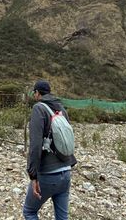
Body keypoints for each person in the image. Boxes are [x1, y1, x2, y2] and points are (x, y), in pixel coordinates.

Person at [23, 80, 76, 220]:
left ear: (37, 93)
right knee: (62, 217)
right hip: (66, 173)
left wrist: (33, 176)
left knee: (29, 212)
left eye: (34, 93)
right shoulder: (61, 109)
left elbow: (35, 145)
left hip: (48, 174)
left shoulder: (38, 108)